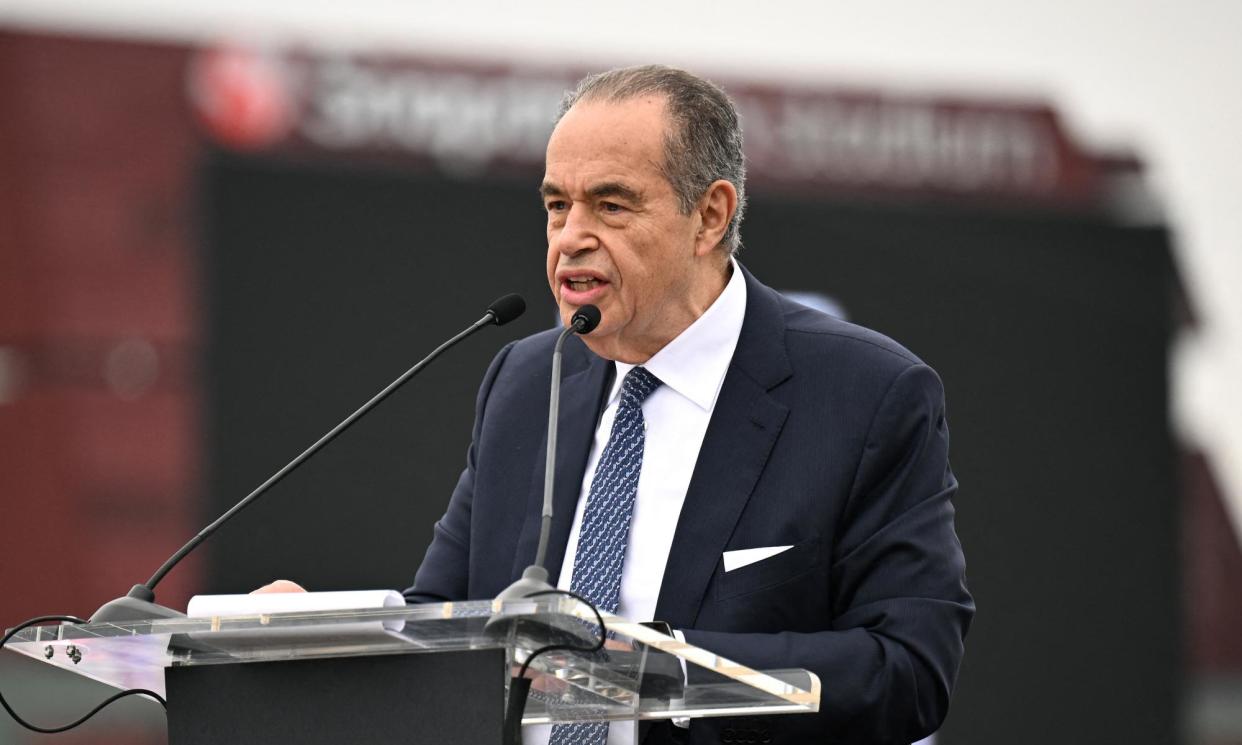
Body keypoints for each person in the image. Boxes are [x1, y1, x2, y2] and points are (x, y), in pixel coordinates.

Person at [264, 64, 973, 744]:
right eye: (555, 206)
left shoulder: (865, 394)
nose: (570, 236)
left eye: (610, 204)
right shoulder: (525, 380)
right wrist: (331, 635)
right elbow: (450, 622)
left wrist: (654, 666)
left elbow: (908, 669)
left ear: (710, 216)